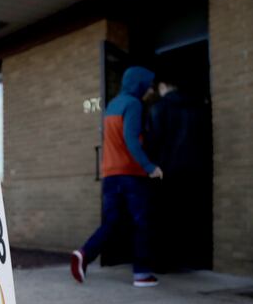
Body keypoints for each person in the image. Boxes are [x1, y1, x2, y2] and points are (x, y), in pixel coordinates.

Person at [70, 66, 163, 287]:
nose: (150, 91)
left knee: (111, 222)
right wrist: (150, 166)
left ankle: (84, 253)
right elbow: (131, 140)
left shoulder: (112, 105)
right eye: (148, 86)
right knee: (141, 222)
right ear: (139, 84)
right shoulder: (134, 104)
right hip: (130, 174)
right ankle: (142, 274)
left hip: (110, 175)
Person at [145, 71, 211, 271]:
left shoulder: (159, 108)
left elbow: (152, 142)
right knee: (189, 216)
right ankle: (191, 259)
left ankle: (164, 262)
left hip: (167, 170)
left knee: (165, 218)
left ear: (163, 86)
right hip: (196, 170)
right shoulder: (200, 107)